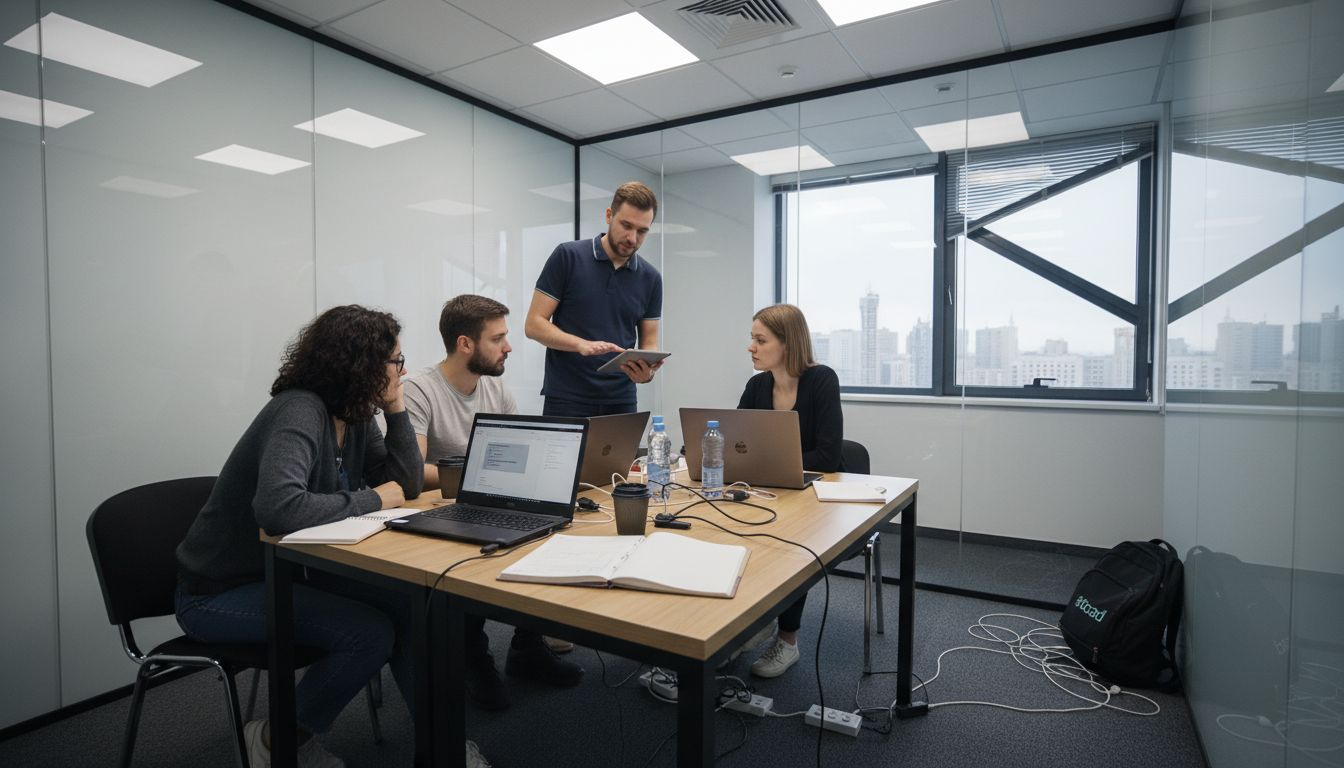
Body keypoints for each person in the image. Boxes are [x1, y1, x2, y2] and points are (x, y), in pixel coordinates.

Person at [174, 305, 490, 768]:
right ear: (362, 365)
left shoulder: (354, 415)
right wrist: (374, 498)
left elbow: (403, 483)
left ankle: (444, 749)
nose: (402, 371)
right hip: (220, 591)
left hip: (293, 572)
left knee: (411, 609)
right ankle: (280, 739)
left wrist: (395, 407)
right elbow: (279, 508)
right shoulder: (298, 410)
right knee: (369, 634)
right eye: (395, 362)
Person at [403, 294, 583, 712]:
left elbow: (520, 449)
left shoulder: (495, 386)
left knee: (548, 533)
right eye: (498, 338)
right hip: (437, 509)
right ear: (465, 344)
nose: (509, 346)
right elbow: (412, 472)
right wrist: (475, 475)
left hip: (490, 499)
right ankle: (473, 657)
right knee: (471, 559)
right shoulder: (419, 390)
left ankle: (526, 647)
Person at [737, 304, 843, 678]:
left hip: (814, 496)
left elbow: (828, 457)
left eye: (760, 340)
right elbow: (738, 444)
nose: (751, 347)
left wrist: (766, 461)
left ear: (788, 344)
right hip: (767, 491)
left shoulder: (821, 381)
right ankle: (751, 620)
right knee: (730, 530)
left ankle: (787, 641)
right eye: (752, 338)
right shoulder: (757, 386)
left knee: (792, 548)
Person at [525, 181, 664, 418]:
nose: (632, 238)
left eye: (642, 231)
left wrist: (647, 372)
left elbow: (649, 343)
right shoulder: (567, 256)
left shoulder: (651, 278)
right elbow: (534, 325)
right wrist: (581, 344)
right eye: (626, 225)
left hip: (621, 401)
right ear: (609, 215)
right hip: (567, 398)